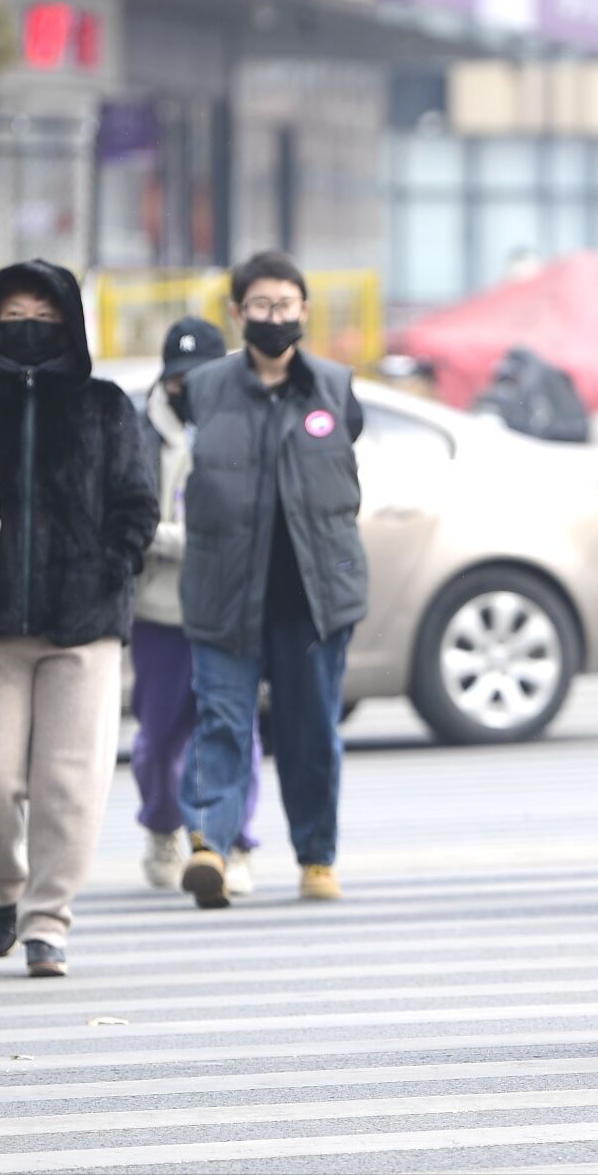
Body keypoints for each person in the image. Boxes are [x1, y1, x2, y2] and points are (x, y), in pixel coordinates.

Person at [0, 261, 158, 978]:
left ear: (69, 322)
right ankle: (6, 883)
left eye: (45, 313)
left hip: (85, 622)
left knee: (69, 783)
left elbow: (138, 502)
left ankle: (48, 921)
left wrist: (111, 568)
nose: (30, 324)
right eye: (15, 313)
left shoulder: (106, 405)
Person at [178, 251, 367, 908]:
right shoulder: (204, 389)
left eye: (286, 305)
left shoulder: (335, 388)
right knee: (221, 722)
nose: (274, 317)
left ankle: (317, 856)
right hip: (224, 591)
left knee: (311, 730)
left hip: (311, 598)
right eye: (261, 306)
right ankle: (209, 845)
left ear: (304, 311)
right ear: (237, 313)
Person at [132, 316, 262, 897]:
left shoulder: (240, 423)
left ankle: (232, 843)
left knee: (233, 731)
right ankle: (162, 824)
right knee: (159, 738)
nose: (187, 387)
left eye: (199, 374)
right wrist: (178, 538)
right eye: (177, 376)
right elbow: (131, 521)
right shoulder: (138, 428)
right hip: (159, 612)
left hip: (229, 608)